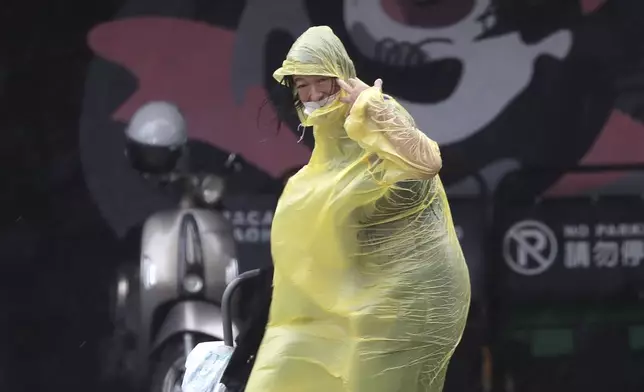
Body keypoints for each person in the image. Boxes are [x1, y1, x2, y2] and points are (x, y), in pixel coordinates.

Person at [245, 26, 471, 392]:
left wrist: (371, 104)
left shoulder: (375, 111)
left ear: (341, 76)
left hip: (404, 300)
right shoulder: (326, 151)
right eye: (303, 85)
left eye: (322, 81)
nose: (313, 94)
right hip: (353, 299)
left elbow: (426, 162)